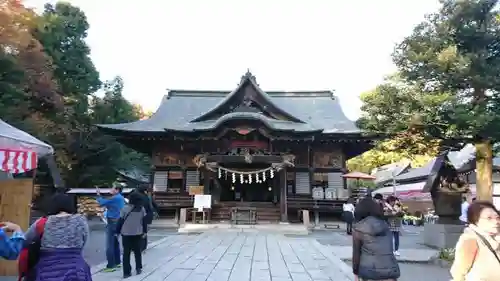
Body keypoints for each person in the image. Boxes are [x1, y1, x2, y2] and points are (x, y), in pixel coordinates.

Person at [24, 193, 91, 281]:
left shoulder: (43, 222)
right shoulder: (81, 221)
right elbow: (85, 242)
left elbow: (26, 240)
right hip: (75, 270)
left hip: (47, 270)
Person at [352, 198, 400, 281]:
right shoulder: (385, 225)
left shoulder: (359, 229)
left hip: (369, 273)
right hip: (390, 272)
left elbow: (356, 255)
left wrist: (355, 272)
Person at [450, 201, 500, 281]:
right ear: (475, 220)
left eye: (497, 217)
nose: (496, 222)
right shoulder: (471, 239)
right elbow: (459, 271)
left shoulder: (496, 237)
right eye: (489, 218)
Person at [116, 192, 147, 278]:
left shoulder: (125, 209)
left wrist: (117, 232)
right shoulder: (141, 209)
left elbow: (120, 221)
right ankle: (138, 268)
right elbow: (144, 222)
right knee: (137, 252)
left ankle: (126, 272)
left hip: (126, 233)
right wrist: (145, 232)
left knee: (126, 253)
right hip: (138, 233)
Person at [97, 185, 125, 272]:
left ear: (117, 190)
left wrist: (98, 194)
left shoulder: (115, 198)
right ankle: (117, 262)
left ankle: (111, 265)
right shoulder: (120, 198)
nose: (110, 189)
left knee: (109, 244)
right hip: (118, 221)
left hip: (112, 222)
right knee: (115, 242)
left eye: (112, 188)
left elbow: (102, 202)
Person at [132, 186, 155, 252]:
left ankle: (138, 247)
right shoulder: (146, 197)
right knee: (144, 231)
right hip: (147, 215)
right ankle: (143, 246)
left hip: (139, 215)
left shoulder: (138, 197)